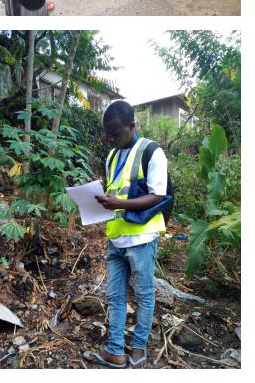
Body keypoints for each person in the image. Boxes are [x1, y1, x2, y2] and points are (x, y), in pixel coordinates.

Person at [82, 100, 168, 369]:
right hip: (116, 238)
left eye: (116, 133)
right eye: (107, 133)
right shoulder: (111, 156)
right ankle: (116, 351)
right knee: (115, 296)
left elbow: (158, 195)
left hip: (142, 240)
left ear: (132, 126)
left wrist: (118, 203)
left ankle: (139, 346)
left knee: (144, 295)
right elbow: (114, 192)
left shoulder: (152, 151)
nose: (110, 138)